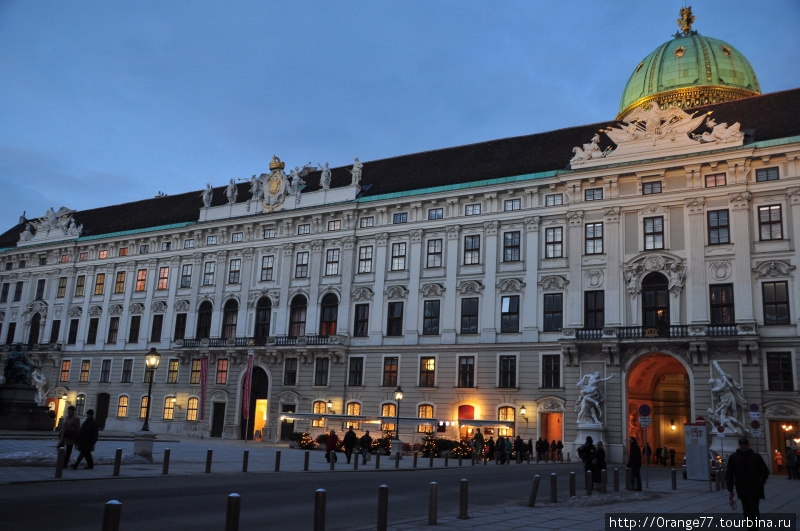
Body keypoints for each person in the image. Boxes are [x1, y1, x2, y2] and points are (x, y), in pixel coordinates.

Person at [726, 437, 769, 521]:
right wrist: (730, 487)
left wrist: (760, 483)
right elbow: (729, 473)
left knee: (754, 509)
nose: (744, 447)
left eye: (745, 445)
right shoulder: (734, 457)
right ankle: (750, 527)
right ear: (739, 445)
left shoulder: (756, 456)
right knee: (746, 509)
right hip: (742, 487)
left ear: (748, 445)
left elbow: (764, 471)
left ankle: (754, 528)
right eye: (742, 445)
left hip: (755, 487)